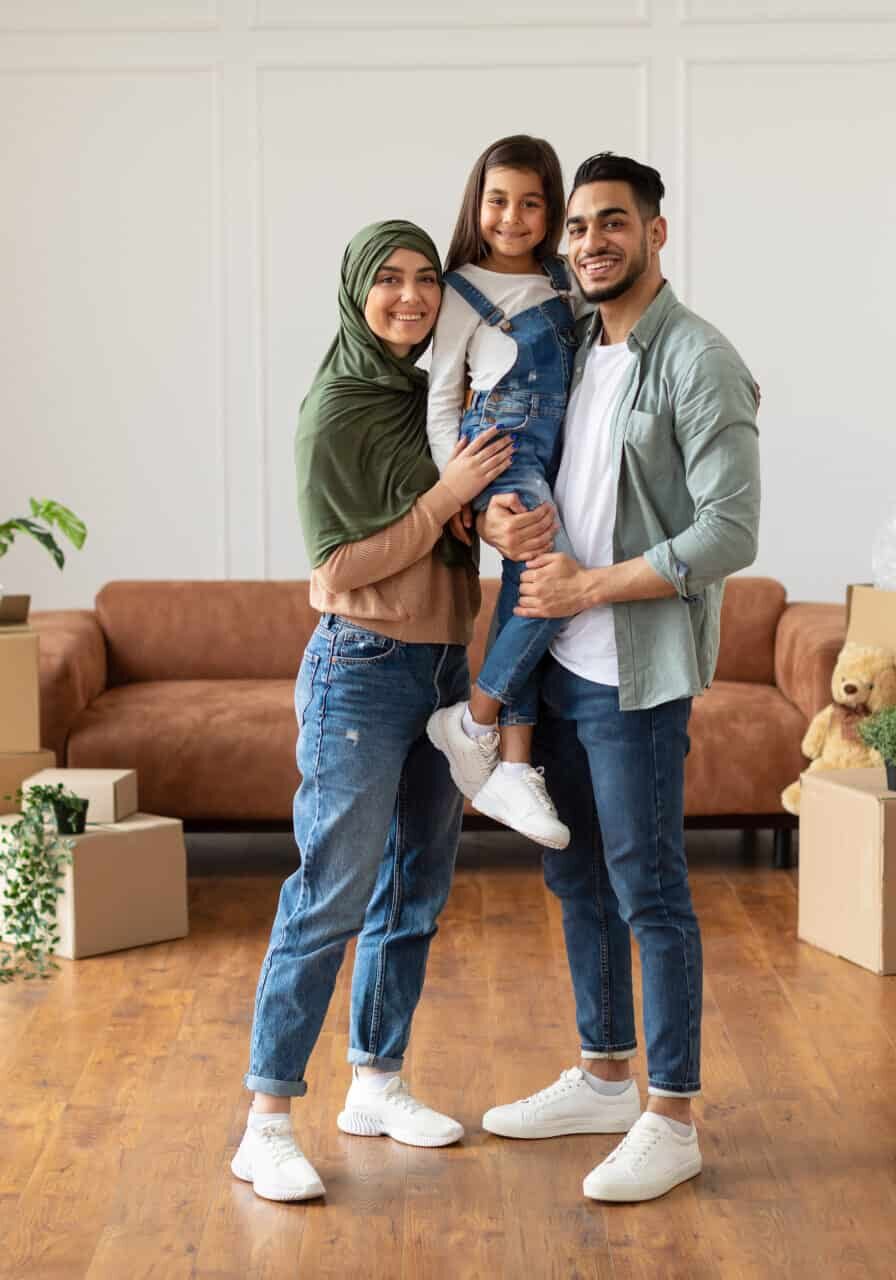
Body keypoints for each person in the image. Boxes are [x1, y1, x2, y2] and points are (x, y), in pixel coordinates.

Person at [478, 153, 760, 1203]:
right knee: (574, 876)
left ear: (654, 232)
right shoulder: (574, 347)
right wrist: (501, 514)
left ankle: (672, 1113)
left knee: (648, 888)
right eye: (579, 226)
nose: (589, 240)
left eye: (612, 222)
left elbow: (727, 529)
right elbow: (537, 472)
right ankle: (603, 1073)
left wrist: (589, 588)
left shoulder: (697, 357)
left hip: (632, 672)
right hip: (551, 663)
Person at [231, 220, 512, 1203]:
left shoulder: (437, 398)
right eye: (386, 279)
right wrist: (445, 499)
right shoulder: (339, 405)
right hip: (359, 667)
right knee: (331, 892)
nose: (408, 296)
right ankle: (265, 1118)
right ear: (355, 291)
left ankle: (375, 1080)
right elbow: (333, 572)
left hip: (440, 672)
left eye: (424, 278)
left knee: (415, 891)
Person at [425, 135, 583, 851]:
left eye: (529, 202)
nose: (512, 217)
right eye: (497, 201)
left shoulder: (565, 283)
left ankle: (513, 765)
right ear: (476, 202)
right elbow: (441, 403)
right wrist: (461, 494)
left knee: (530, 594)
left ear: (550, 209)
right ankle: (474, 718)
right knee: (557, 574)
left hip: (559, 461)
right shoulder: (459, 288)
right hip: (499, 453)